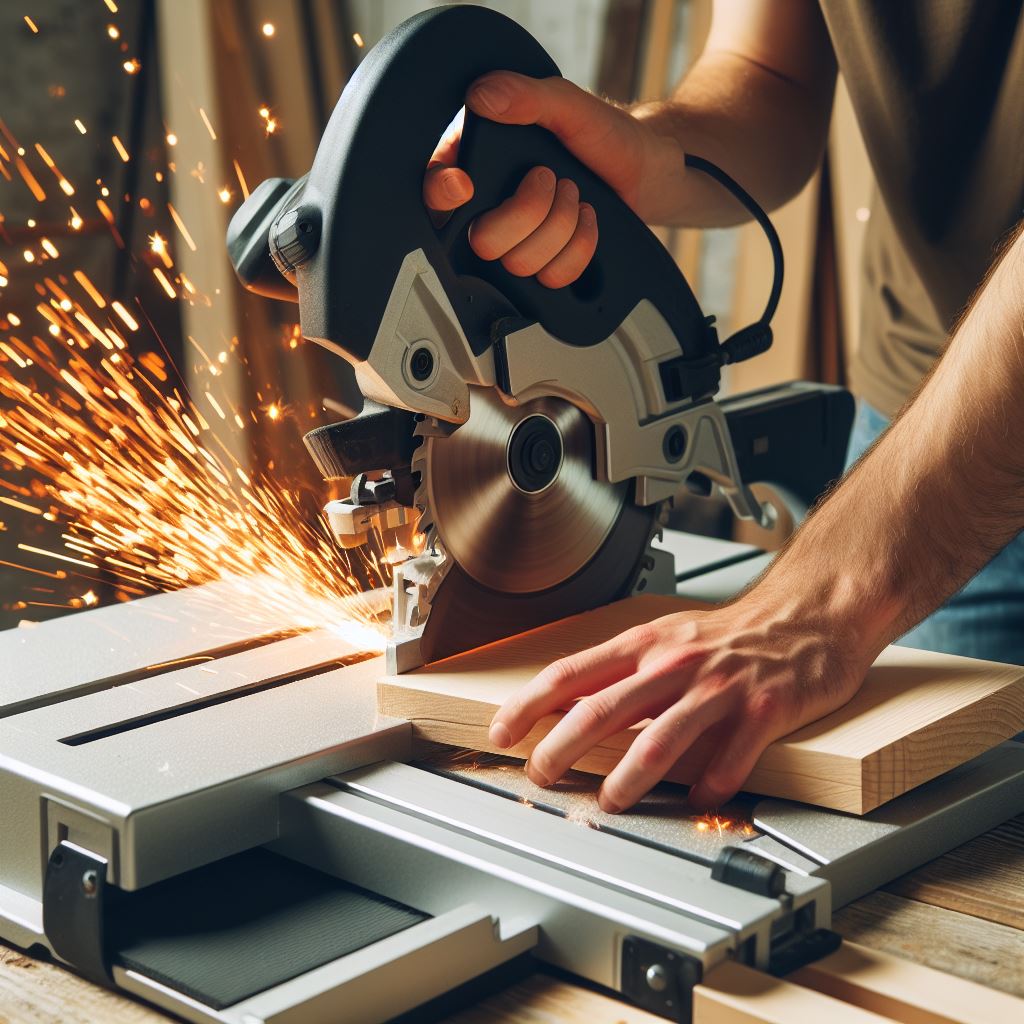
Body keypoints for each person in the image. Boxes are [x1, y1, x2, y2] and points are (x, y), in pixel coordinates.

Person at [422, 0, 1024, 813]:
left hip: (955, 464)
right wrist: (652, 155)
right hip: (927, 405)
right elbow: (767, 71)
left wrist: (824, 599)